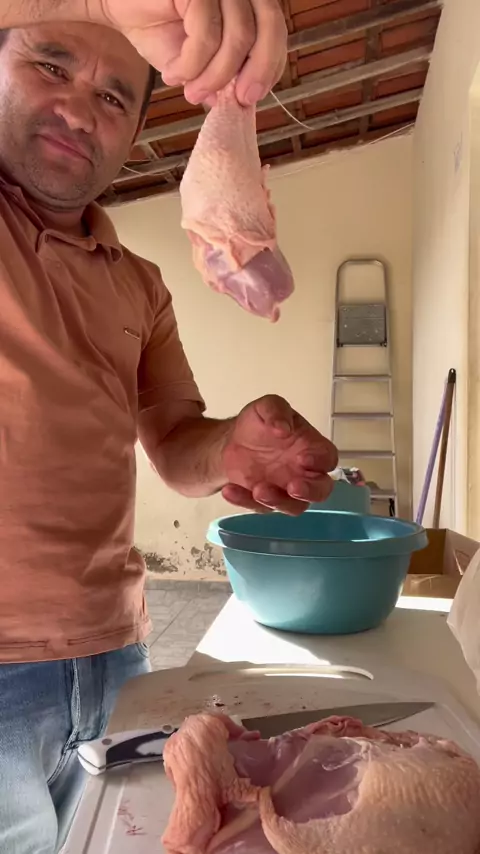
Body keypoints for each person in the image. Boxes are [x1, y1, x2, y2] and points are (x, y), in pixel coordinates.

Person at [0, 2, 338, 852]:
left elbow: (177, 444)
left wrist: (231, 447)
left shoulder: (140, 284)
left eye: (115, 97)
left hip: (115, 655)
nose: (80, 110)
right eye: (50, 66)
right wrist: (104, 5)